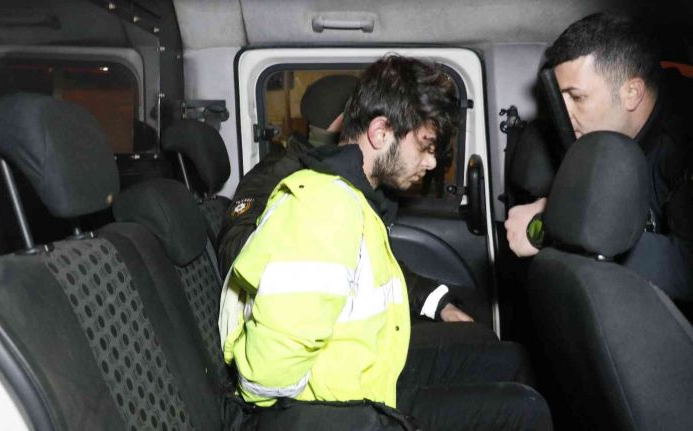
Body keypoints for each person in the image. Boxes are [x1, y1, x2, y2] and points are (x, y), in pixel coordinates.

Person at [219, 55, 552, 430]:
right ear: (380, 133)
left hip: (363, 371)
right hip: (339, 404)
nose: (432, 163)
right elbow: (268, 378)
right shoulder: (325, 206)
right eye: (425, 146)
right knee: (525, 411)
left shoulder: (356, 198)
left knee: (513, 362)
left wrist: (435, 302)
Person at [505, 12, 693, 302]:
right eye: (560, 99)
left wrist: (557, 226)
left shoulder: (683, 144)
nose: (563, 115)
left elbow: (686, 266)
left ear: (632, 93)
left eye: (577, 97)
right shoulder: (597, 143)